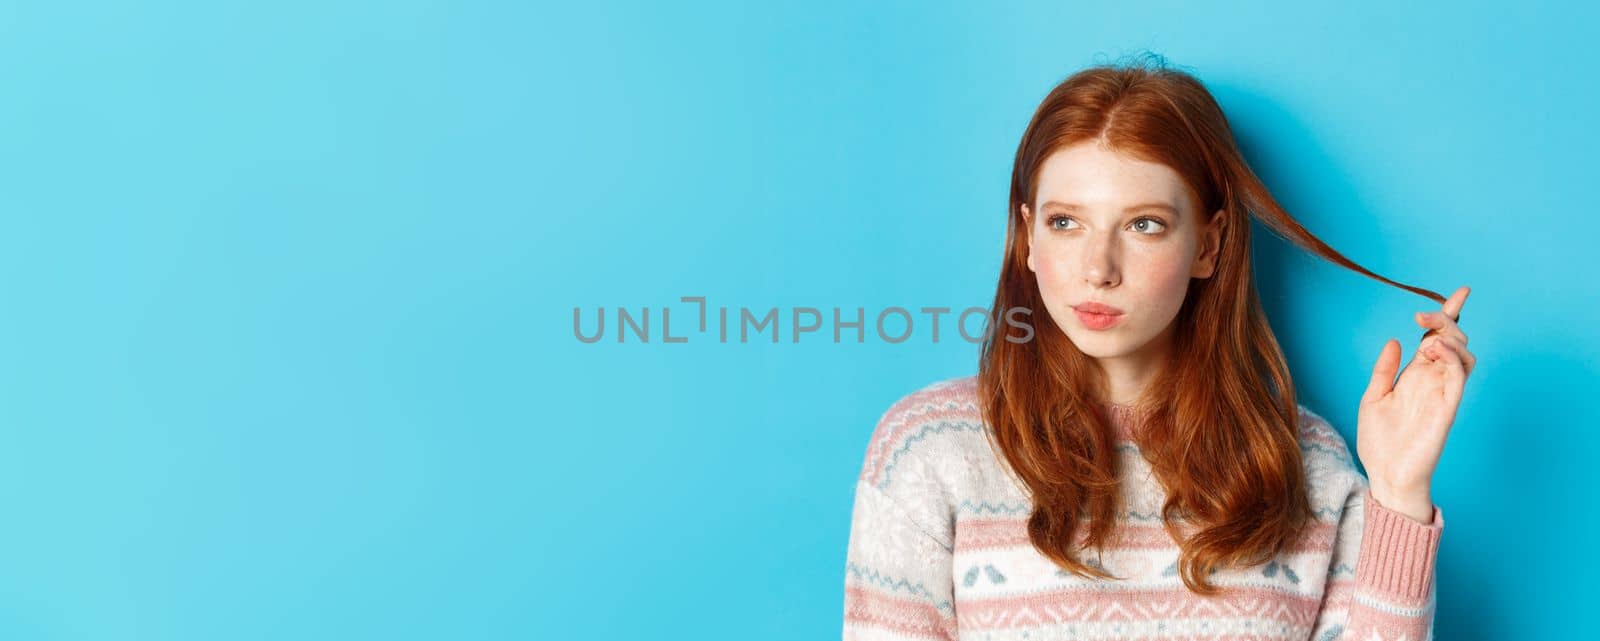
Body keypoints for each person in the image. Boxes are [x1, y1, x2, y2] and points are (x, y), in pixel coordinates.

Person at [841, 54, 1475, 641]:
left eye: (1144, 225)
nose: (1099, 268)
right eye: (1066, 222)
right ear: (1029, 237)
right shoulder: (928, 449)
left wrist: (1396, 494)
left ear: (1207, 245)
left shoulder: (1304, 461)